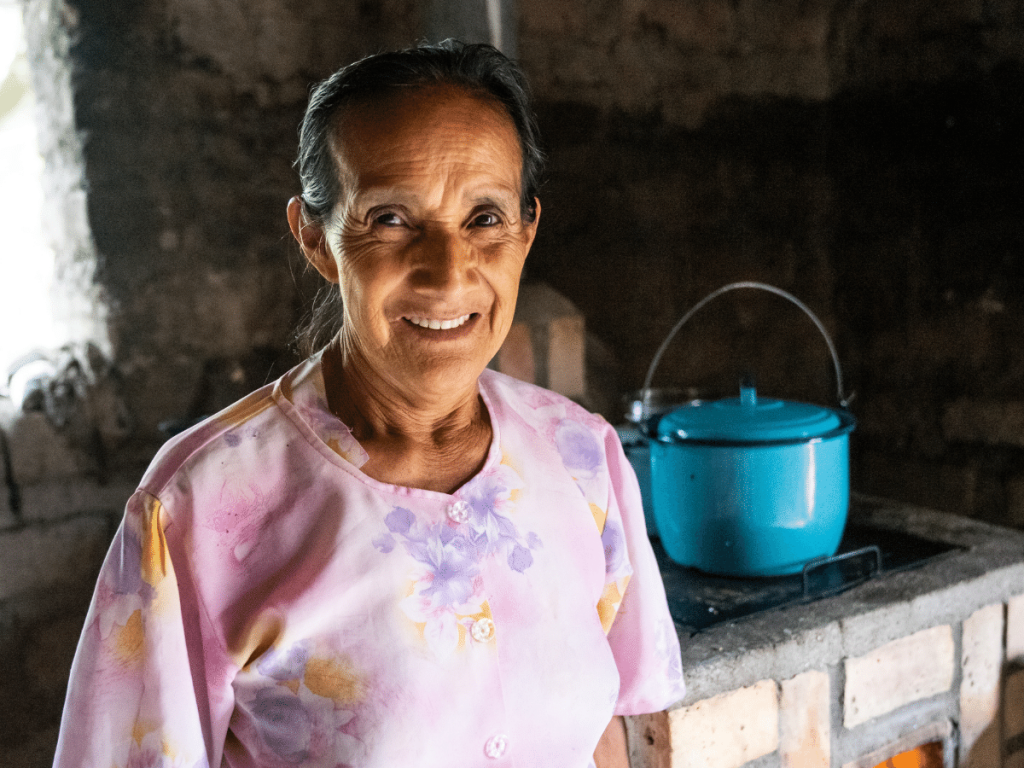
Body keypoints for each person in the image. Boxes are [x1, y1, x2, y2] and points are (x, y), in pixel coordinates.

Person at [52, 40, 685, 768]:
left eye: (485, 218)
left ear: (527, 230)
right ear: (316, 239)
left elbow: (615, 729)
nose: (449, 272)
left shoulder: (582, 457)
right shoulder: (200, 506)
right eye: (390, 219)